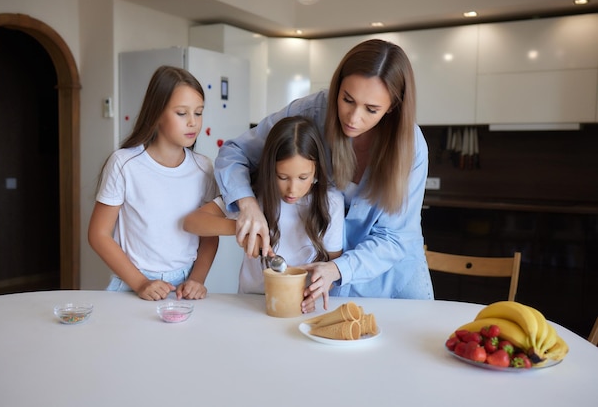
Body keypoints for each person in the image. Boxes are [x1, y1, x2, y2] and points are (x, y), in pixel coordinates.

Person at [214, 39, 434, 311]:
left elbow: (395, 237)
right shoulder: (308, 115)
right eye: (347, 99)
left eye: (371, 109)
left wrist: (338, 268)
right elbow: (234, 152)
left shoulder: (410, 147)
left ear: (392, 106)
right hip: (323, 281)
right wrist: (247, 206)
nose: (353, 117)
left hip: (390, 278)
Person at [184, 116, 344, 313]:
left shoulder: (332, 202)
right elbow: (192, 222)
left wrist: (314, 294)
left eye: (303, 177)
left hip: (301, 306)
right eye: (282, 177)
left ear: (317, 170)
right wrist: (244, 228)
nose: (292, 189)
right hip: (249, 304)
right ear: (269, 169)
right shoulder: (252, 193)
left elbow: (333, 264)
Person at [88, 65, 218, 301]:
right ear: (157, 113)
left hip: (183, 289)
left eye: (198, 113)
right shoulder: (124, 163)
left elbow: (208, 234)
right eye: (182, 113)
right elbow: (99, 234)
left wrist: (196, 280)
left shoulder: (204, 168)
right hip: (131, 284)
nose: (193, 122)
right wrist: (140, 283)